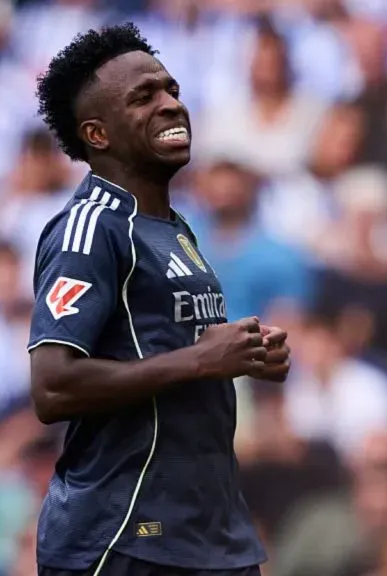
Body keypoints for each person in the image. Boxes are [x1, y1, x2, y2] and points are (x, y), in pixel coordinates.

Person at [28, 23, 290, 576]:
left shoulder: (174, 230)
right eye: (144, 97)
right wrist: (202, 360)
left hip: (209, 530)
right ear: (97, 135)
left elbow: (173, 354)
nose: (171, 105)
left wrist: (245, 355)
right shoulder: (90, 228)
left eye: (171, 90)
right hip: (126, 533)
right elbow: (52, 386)